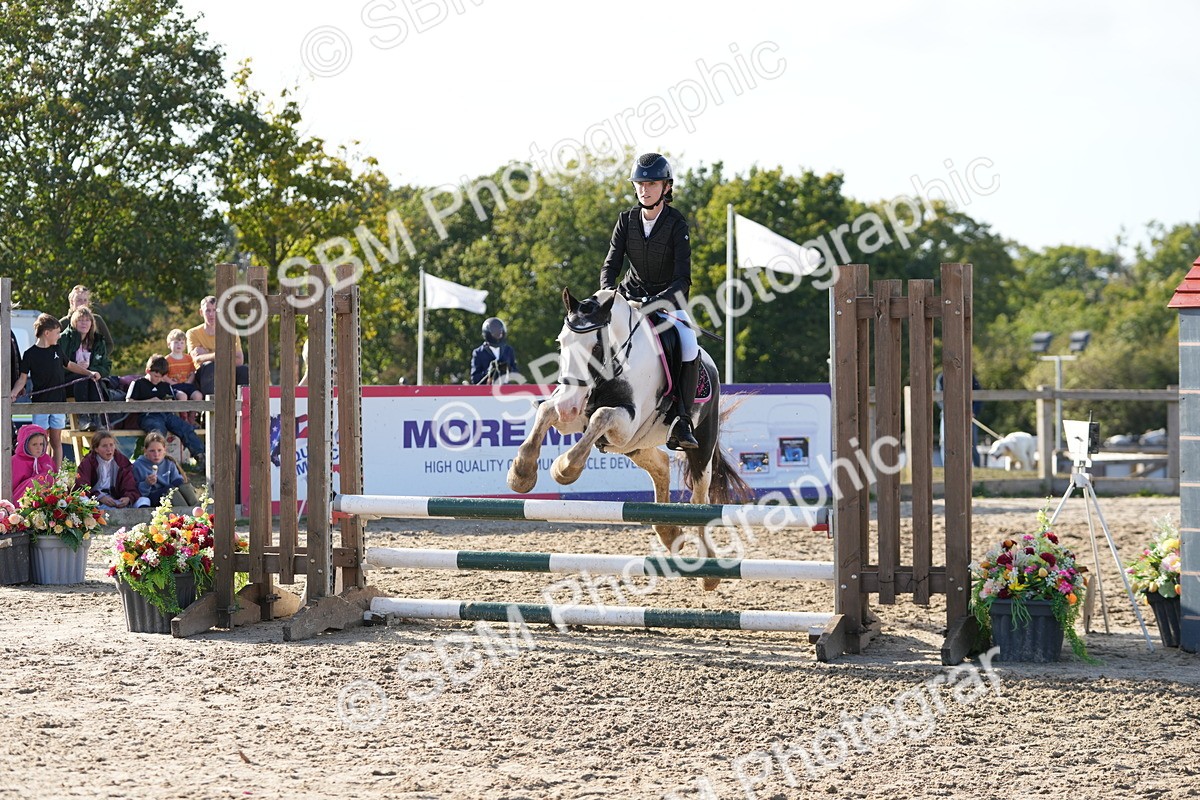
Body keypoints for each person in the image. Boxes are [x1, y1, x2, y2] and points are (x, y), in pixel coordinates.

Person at [599, 152, 699, 450]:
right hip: (629, 298)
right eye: (640, 183)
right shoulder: (626, 220)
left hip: (665, 301)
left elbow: (683, 279)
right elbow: (610, 266)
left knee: (689, 340)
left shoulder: (676, 223)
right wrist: (608, 293)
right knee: (591, 332)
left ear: (666, 187)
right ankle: (583, 397)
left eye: (652, 183)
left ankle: (682, 420)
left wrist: (657, 301)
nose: (644, 189)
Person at [11, 314, 97, 468]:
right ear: (47, 333)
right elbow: (22, 379)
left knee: (56, 441)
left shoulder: (57, 349)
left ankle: (55, 475)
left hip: (59, 402)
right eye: (57, 333)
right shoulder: (30, 354)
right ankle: (42, 472)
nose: (59, 336)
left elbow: (69, 364)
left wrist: (89, 373)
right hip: (40, 404)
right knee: (41, 441)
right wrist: (14, 393)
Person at [128, 355, 206, 469]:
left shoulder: (165, 385)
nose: (158, 379)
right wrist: (150, 401)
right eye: (156, 376)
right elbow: (129, 402)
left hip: (166, 414)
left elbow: (172, 400)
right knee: (158, 432)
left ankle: (201, 457)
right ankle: (158, 464)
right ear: (148, 371)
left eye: (161, 377)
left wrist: (170, 402)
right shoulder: (138, 383)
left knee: (186, 428)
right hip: (148, 416)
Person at [58, 307, 111, 432]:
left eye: (87, 320)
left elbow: (106, 365)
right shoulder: (63, 339)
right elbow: (57, 364)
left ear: (92, 323)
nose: (84, 323)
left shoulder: (98, 341)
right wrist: (76, 367)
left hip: (91, 380)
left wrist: (95, 371)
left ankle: (96, 418)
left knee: (93, 379)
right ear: (74, 322)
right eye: (80, 320)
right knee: (83, 378)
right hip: (67, 382)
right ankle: (83, 417)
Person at [187, 295, 249, 395]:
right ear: (201, 312)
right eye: (207, 310)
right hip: (203, 375)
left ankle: (244, 406)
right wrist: (225, 354)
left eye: (215, 310)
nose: (211, 314)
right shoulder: (193, 333)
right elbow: (197, 359)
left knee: (244, 371)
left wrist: (207, 354)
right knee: (210, 366)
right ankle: (211, 407)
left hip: (228, 370)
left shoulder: (231, 333)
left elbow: (239, 360)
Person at [75, 431, 139, 509]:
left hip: (116, 499)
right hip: (95, 499)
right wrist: (99, 497)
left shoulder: (121, 461)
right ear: (96, 449)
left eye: (111, 445)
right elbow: (82, 485)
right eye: (104, 446)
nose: (109, 449)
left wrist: (128, 497)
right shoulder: (88, 462)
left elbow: (129, 483)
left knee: (142, 501)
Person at [936, 371, 983, 467]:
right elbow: (939, 397)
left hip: (968, 414)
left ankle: (977, 468)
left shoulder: (969, 376)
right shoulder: (942, 377)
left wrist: (973, 411)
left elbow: (978, 395)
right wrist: (950, 411)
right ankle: (947, 466)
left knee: (972, 442)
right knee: (945, 442)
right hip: (947, 414)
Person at [131, 431, 184, 508]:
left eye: (159, 450)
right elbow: (137, 492)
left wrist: (169, 488)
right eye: (152, 451)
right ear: (145, 451)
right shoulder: (138, 466)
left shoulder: (169, 464)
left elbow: (178, 480)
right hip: (150, 497)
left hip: (168, 495)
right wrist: (147, 483)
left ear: (164, 450)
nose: (156, 455)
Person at [59, 285, 115, 354]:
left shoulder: (97, 320)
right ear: (71, 302)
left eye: (85, 300)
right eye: (79, 300)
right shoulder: (62, 323)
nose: (82, 303)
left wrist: (96, 358)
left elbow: (109, 344)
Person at [164, 329, 203, 425]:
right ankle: (184, 417)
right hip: (174, 386)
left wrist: (189, 382)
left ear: (185, 345)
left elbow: (193, 372)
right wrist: (172, 383)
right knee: (183, 396)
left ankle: (192, 417)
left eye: (182, 343)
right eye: (176, 342)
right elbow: (164, 376)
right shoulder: (167, 360)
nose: (179, 345)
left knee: (198, 396)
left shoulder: (188, 358)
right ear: (169, 344)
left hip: (187, 384)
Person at [470, 318, 519, 385]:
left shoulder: (508, 350)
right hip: (487, 392)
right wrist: (489, 372)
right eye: (494, 331)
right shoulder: (478, 353)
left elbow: (516, 374)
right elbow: (475, 379)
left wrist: (508, 370)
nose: (498, 333)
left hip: (506, 391)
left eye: (499, 331)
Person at [11, 424, 54, 499]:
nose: (38, 448)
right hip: (21, 500)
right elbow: (10, 487)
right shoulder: (15, 461)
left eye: (41, 444)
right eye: (34, 444)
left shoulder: (46, 459)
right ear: (25, 444)